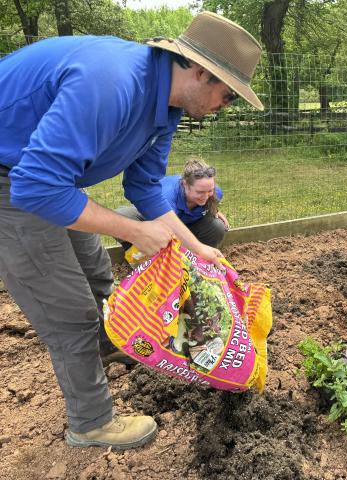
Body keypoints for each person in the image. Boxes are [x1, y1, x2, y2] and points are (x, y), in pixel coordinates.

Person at [0, 12, 263, 449]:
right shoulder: (112, 83)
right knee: (69, 310)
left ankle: (106, 347)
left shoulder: (167, 107)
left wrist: (197, 246)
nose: (225, 106)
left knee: (98, 275)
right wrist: (135, 233)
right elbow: (35, 187)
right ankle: (91, 422)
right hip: (11, 179)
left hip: (49, 180)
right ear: (201, 71)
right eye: (230, 95)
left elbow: (143, 187)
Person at [117, 157, 229, 250]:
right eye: (200, 192)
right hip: (156, 221)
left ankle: (200, 261)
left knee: (217, 225)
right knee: (121, 216)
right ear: (184, 184)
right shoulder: (167, 197)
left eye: (210, 191)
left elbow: (211, 201)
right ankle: (142, 256)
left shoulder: (216, 193)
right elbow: (165, 231)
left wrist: (214, 210)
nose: (206, 196)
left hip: (187, 224)